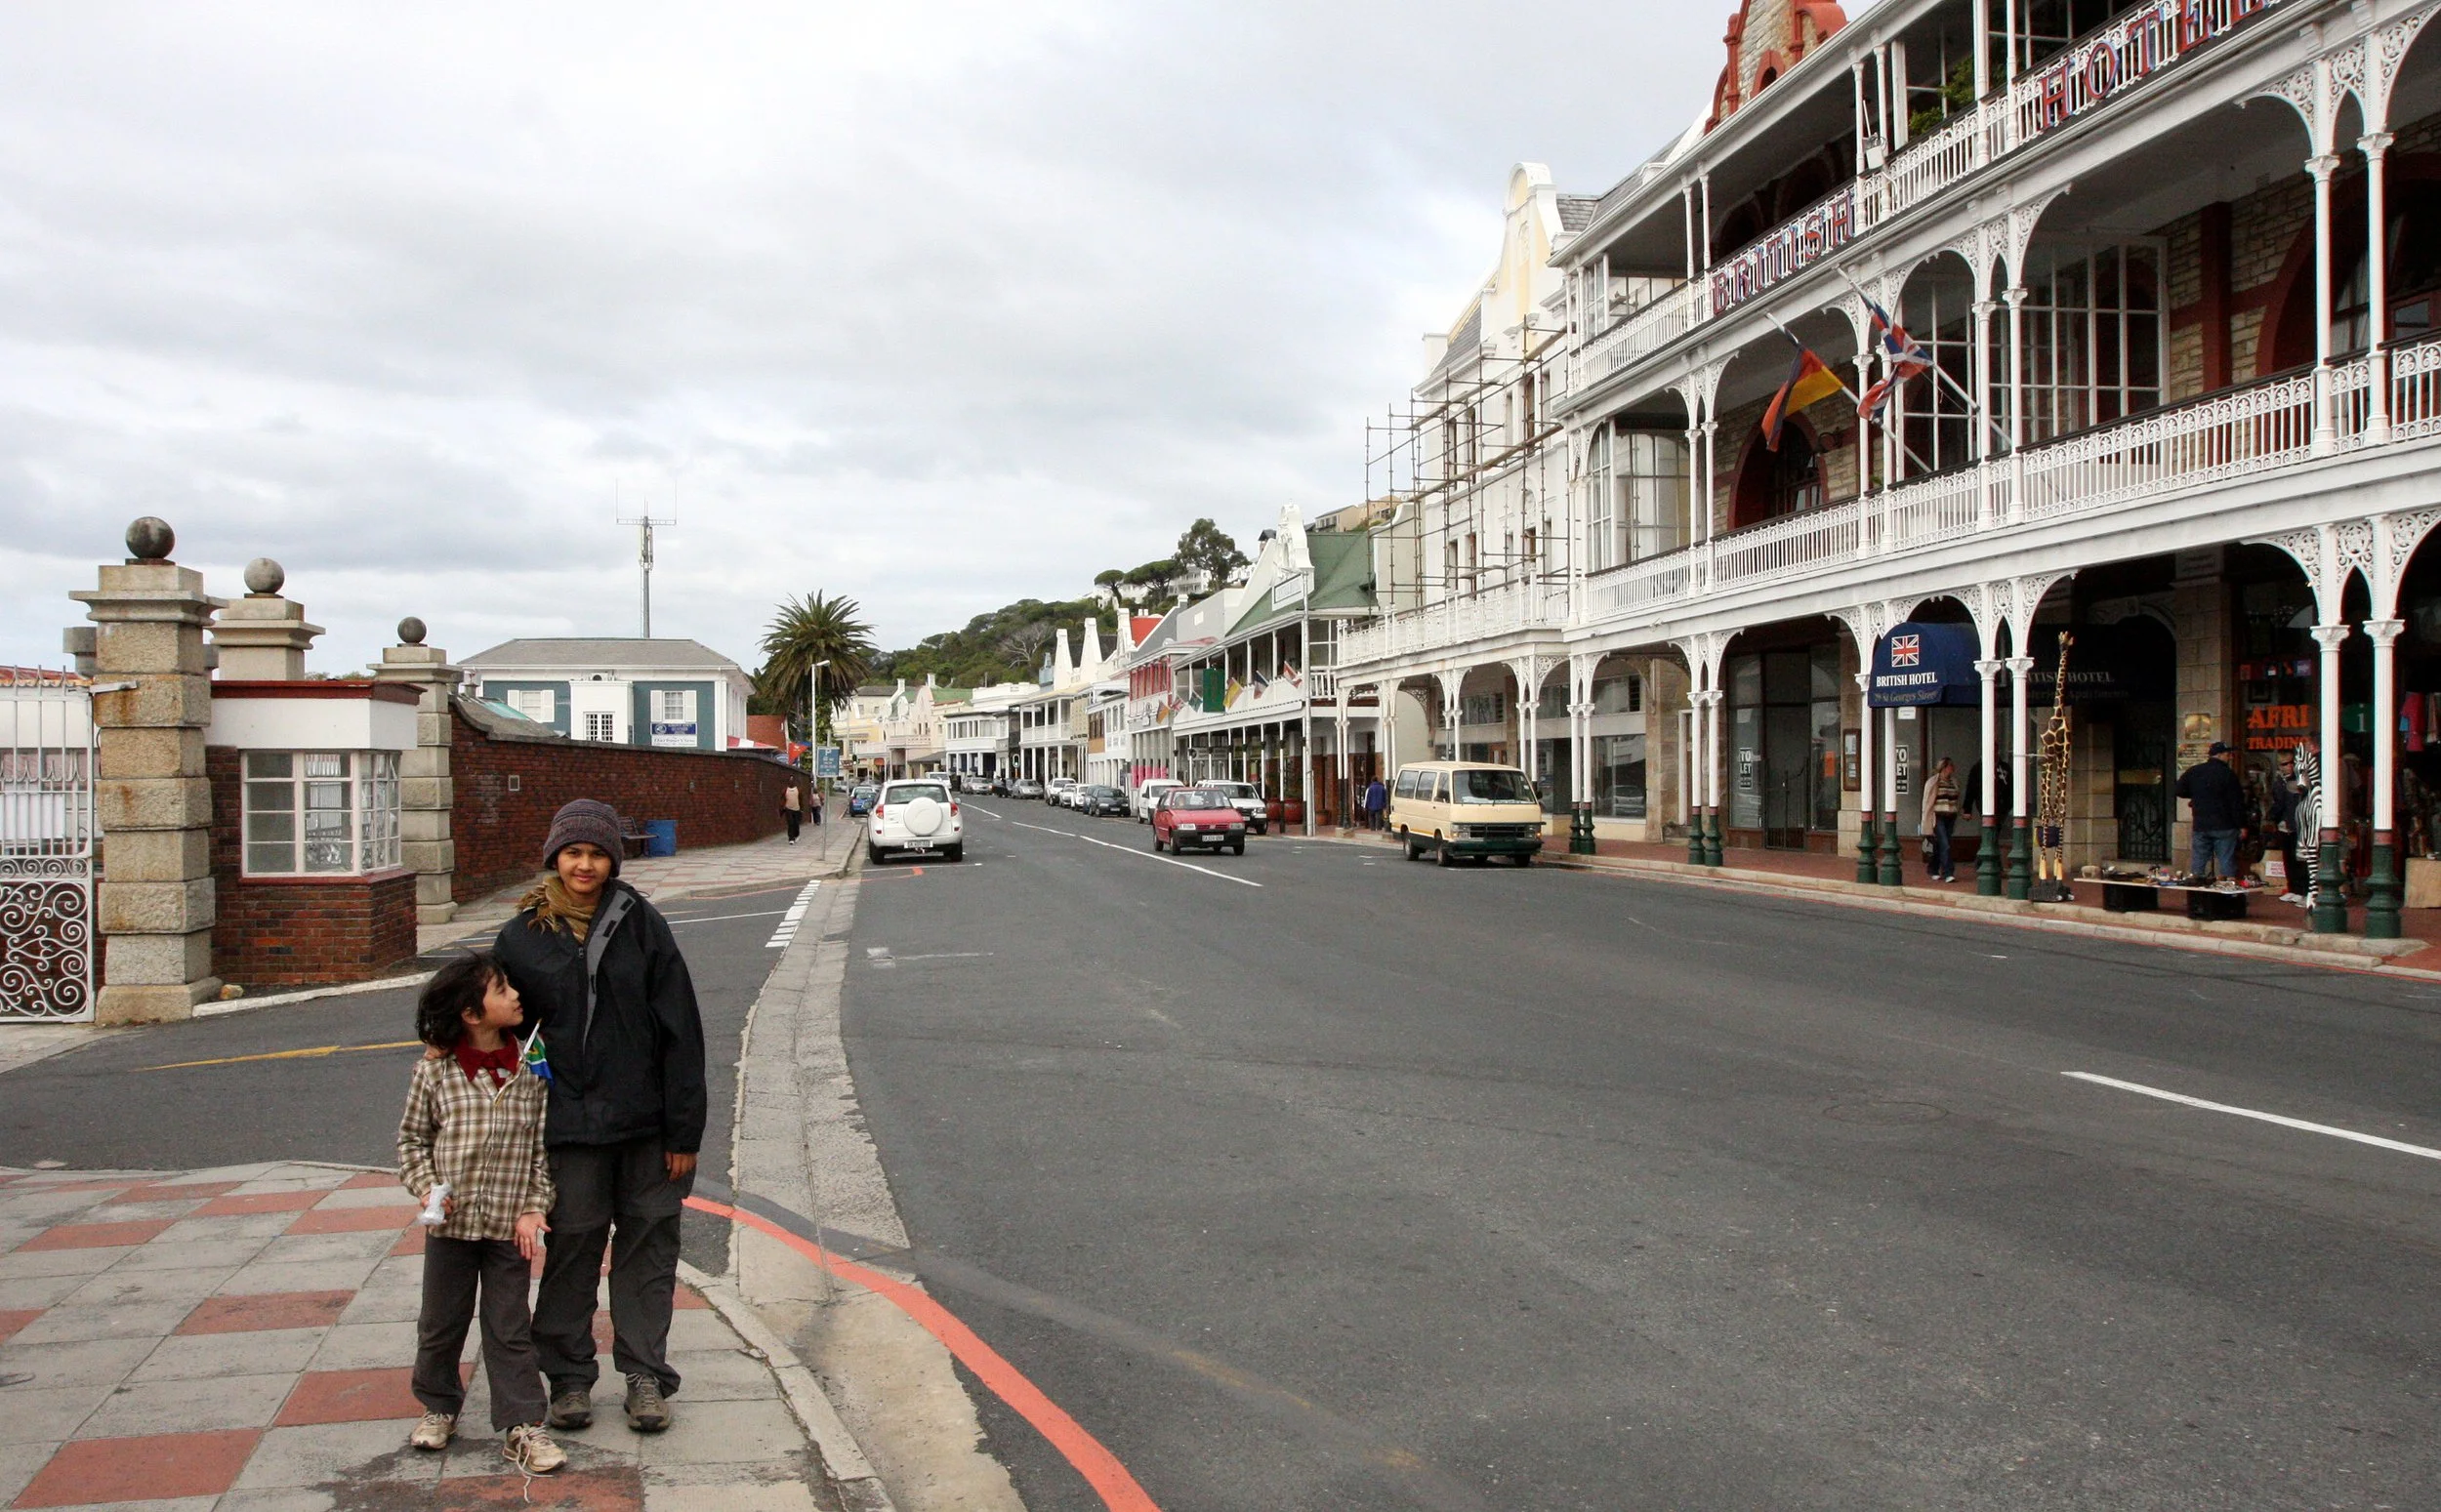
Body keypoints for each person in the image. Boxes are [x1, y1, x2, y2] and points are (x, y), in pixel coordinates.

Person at [495, 799, 708, 1436]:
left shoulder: (643, 925)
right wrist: (443, 1034)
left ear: (613, 858)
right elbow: (495, 1020)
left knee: (649, 1249)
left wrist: (684, 1131)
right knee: (573, 1249)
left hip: (647, 1127)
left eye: (596, 853)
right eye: (573, 853)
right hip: (568, 1129)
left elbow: (682, 1032)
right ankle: (567, 1377)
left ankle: (645, 1374)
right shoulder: (523, 936)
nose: (584, 864)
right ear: (554, 857)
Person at [397, 953, 567, 1475]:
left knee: (509, 1326)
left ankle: (522, 1424)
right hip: (450, 1227)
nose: (516, 995)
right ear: (473, 1013)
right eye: (502, 989)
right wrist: (428, 1189)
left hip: (507, 1229)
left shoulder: (531, 1070)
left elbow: (543, 1152)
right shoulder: (435, 1070)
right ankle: (439, 1405)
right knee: (441, 1322)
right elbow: (412, 1141)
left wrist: (534, 1208)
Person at [2175, 740, 2247, 881]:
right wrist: (2242, 825)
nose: (2230, 757)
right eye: (2228, 754)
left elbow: (2179, 790)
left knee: (2199, 861)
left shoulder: (2194, 771)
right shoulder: (2228, 774)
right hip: (2225, 824)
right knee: (2226, 860)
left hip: (2201, 823)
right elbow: (2236, 802)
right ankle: (2228, 892)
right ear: (2219, 755)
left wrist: (2198, 796)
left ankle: (2197, 893)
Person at [2265, 751, 2308, 904]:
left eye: (2292, 763)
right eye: (2285, 764)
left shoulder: (2299, 780)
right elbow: (2278, 802)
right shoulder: (2279, 781)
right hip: (2284, 823)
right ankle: (2293, 888)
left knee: (2300, 859)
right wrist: (2272, 817)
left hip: (2297, 823)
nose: (2289, 766)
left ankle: (2303, 890)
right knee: (2288, 858)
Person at [1921, 756, 1961, 883]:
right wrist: (1926, 819)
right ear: (1944, 767)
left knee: (1941, 844)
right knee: (1945, 844)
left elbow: (1956, 798)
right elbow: (1927, 801)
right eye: (1950, 766)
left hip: (1950, 815)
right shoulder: (1933, 782)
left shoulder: (1953, 782)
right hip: (1938, 816)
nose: (1952, 769)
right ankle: (1948, 872)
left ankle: (1933, 868)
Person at [781, 781, 803, 845]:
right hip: (788, 809)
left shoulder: (798, 790)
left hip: (797, 809)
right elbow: (782, 799)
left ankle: (796, 834)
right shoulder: (785, 790)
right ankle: (791, 838)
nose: (791, 782)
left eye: (792, 781)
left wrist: (802, 809)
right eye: (790, 781)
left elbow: (801, 799)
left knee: (796, 823)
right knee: (790, 823)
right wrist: (782, 807)